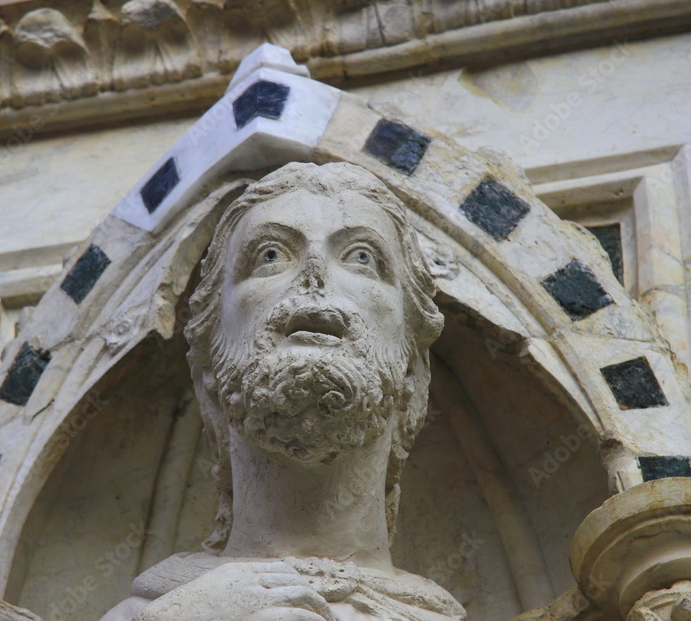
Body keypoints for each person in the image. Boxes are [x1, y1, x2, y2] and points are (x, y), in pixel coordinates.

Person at [102, 161, 464, 620]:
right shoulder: (158, 614)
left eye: (361, 258)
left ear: (414, 374)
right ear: (208, 377)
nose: (314, 274)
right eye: (269, 255)